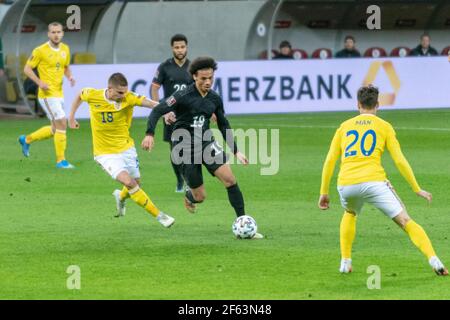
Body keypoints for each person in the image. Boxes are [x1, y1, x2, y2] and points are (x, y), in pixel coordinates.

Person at [318, 85, 447, 276]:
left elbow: (330, 160)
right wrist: (416, 188)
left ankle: (345, 262)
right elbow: (399, 160)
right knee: (405, 220)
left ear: (358, 105)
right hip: (374, 182)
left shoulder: (344, 127)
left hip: (346, 183)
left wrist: (324, 192)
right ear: (377, 105)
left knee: (350, 212)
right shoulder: (384, 127)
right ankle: (435, 261)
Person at [142, 56, 263, 239]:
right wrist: (150, 133)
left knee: (230, 180)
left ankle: (243, 222)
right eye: (203, 79)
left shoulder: (214, 98)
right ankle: (190, 196)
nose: (207, 82)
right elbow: (158, 109)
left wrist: (236, 150)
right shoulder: (182, 95)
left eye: (210, 78)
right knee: (200, 197)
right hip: (184, 148)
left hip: (206, 142)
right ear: (194, 77)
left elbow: (223, 124)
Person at [68, 73, 175, 228]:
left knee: (135, 183)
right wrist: (71, 116)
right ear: (109, 89)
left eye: (125, 92)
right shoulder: (93, 95)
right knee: (129, 182)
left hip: (126, 148)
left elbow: (151, 103)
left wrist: (165, 112)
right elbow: (79, 94)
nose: (123, 95)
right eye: (120, 93)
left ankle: (121, 196)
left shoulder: (128, 97)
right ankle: (161, 216)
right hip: (105, 153)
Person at [18, 22, 76, 168]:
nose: (56, 35)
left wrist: (69, 77)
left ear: (62, 33)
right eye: (53, 32)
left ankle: (27, 139)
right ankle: (61, 161)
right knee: (62, 121)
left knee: (55, 129)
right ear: (48, 34)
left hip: (59, 93)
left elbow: (65, 67)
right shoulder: (40, 50)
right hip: (47, 94)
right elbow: (27, 69)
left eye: (58, 32)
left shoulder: (65, 49)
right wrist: (39, 82)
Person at [151, 34, 193, 193]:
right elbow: (154, 88)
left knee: (188, 149)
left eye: (182, 47)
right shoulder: (164, 67)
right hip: (170, 116)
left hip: (189, 114)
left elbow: (201, 89)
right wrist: (162, 111)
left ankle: (190, 181)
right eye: (177, 47)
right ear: (172, 48)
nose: (180, 50)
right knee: (175, 151)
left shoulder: (193, 67)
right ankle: (180, 180)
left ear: (186, 47)